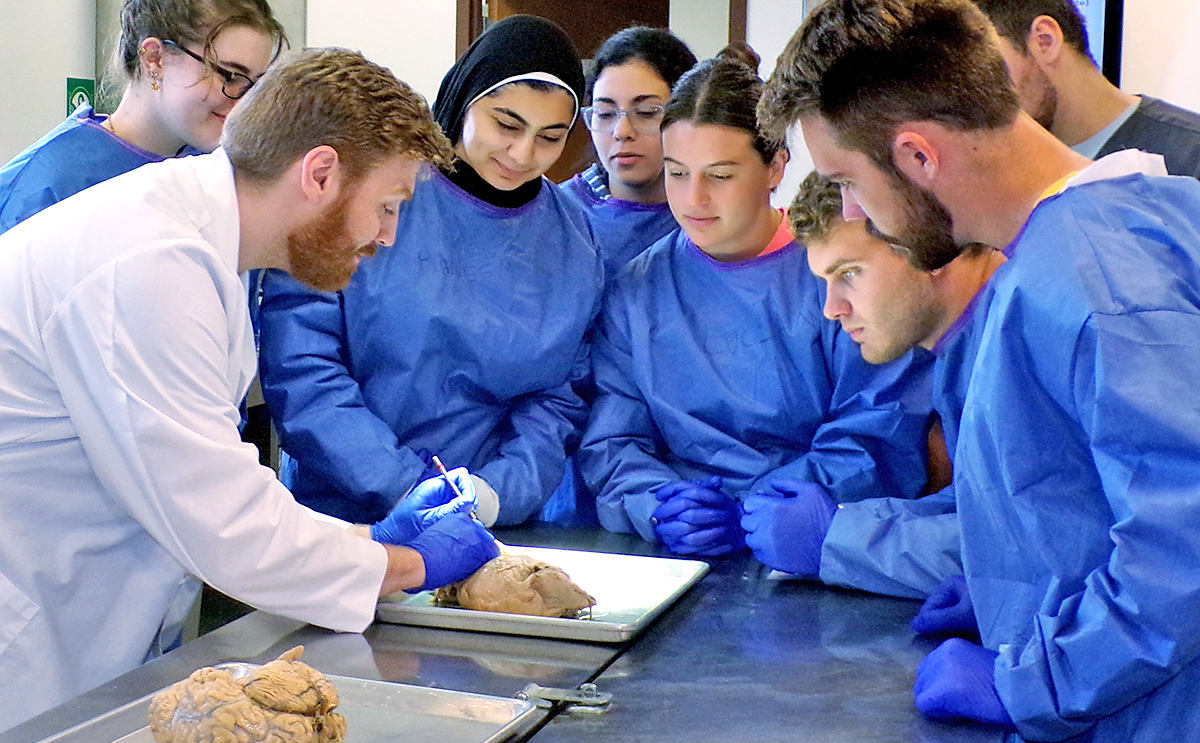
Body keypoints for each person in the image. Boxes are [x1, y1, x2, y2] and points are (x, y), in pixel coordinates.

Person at [0, 48, 502, 732]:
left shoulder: (201, 240)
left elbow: (214, 492)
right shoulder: (151, 260)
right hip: (29, 646)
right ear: (319, 173)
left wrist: (366, 539)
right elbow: (225, 523)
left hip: (83, 623)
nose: (387, 236)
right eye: (387, 206)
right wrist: (407, 563)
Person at [760, 0, 1200, 739]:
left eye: (847, 181)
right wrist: (1013, 588)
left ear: (918, 157)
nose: (852, 210)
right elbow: (1077, 503)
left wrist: (1036, 681)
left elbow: (1183, 548)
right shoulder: (1105, 233)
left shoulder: (1098, 279)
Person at [577, 45, 934, 556]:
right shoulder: (637, 290)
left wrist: (758, 508)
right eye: (677, 173)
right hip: (678, 552)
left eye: (720, 175)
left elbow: (876, 431)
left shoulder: (836, 275)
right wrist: (656, 503)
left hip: (811, 544)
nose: (694, 199)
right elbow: (613, 442)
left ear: (775, 167)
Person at [258, 15, 603, 528]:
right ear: (464, 100)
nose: (523, 154)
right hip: (343, 514)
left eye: (550, 137)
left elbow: (560, 397)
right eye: (507, 125)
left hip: (493, 523)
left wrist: (493, 495)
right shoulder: (373, 191)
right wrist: (404, 486)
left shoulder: (574, 238)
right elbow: (303, 365)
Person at [740, 171, 1002, 598]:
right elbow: (979, 512)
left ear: (925, 244)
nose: (832, 309)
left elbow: (1042, 547)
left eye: (849, 273)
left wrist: (839, 540)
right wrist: (845, 524)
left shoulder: (1020, 339)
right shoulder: (964, 350)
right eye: (825, 282)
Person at [0, 0, 286, 234]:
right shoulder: (42, 187)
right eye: (230, 76)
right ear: (154, 59)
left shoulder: (223, 173)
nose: (242, 100)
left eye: (255, 84)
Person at [974, 0, 1200, 178]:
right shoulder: (999, 170)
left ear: (1045, 40)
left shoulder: (1191, 157)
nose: (976, 89)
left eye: (985, 64)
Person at [561, 26, 696, 277]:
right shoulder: (557, 216)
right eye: (605, 114)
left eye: (646, 113)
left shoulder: (706, 215)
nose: (622, 131)